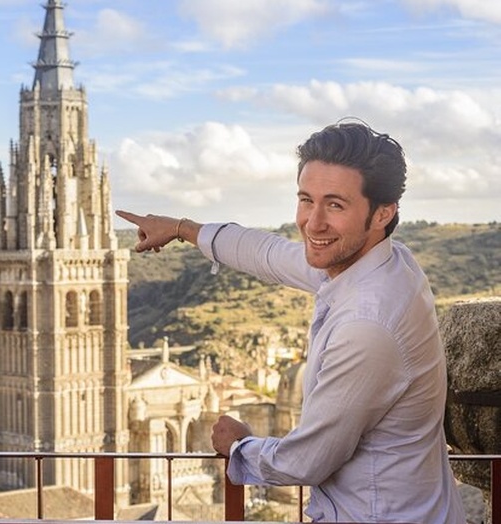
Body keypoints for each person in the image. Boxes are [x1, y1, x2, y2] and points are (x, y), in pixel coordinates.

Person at [116, 121, 466, 523]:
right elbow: (268, 254)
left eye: (335, 204)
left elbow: (307, 460)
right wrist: (182, 229)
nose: (312, 222)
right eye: (306, 199)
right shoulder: (387, 262)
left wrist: (241, 446)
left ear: (383, 213)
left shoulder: (369, 324)